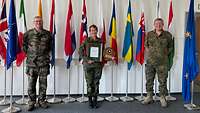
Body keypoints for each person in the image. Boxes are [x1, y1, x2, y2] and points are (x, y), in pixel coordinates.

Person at [141, 18, 174, 107]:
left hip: (163, 62)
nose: (158, 25)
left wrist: (164, 53)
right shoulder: (149, 34)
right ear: (154, 25)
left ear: (163, 24)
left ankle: (162, 97)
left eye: (160, 23)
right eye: (156, 23)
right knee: (149, 80)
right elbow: (146, 45)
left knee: (162, 81)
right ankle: (149, 96)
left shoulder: (168, 35)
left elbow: (171, 47)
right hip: (150, 62)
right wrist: (151, 53)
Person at [23, 16, 52, 111]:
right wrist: (31, 55)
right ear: (33, 22)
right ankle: (31, 102)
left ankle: (42, 101)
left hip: (43, 63)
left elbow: (50, 47)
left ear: (42, 22)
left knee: (43, 84)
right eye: (36, 21)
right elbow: (24, 47)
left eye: (40, 21)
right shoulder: (28, 34)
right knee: (31, 84)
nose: (38, 23)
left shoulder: (48, 34)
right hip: (32, 64)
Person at [79, 24, 104, 109]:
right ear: (89, 32)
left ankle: (95, 100)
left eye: (94, 30)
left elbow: (103, 53)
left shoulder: (101, 41)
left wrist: (109, 57)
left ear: (97, 31)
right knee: (89, 83)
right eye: (91, 30)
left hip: (97, 65)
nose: (93, 32)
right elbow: (80, 51)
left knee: (96, 83)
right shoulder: (86, 41)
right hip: (88, 65)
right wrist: (87, 59)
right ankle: (90, 100)